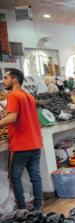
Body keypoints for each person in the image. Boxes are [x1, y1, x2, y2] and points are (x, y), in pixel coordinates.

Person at [0, 68, 43, 211]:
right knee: (35, 177)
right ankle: (38, 207)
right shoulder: (28, 96)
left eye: (6, 78)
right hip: (35, 143)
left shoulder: (13, 96)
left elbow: (13, 117)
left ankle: (22, 209)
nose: (3, 80)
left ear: (15, 80)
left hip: (21, 145)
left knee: (15, 177)